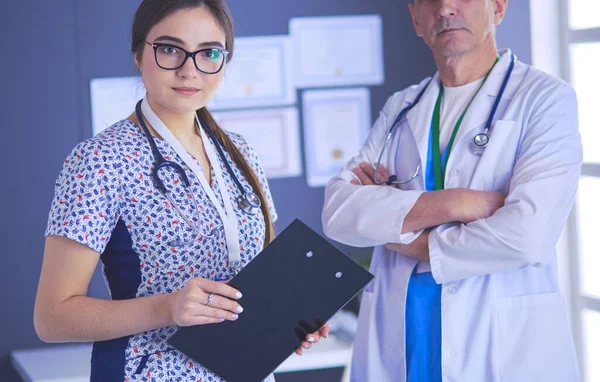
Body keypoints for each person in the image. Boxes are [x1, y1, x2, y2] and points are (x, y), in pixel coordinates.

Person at [34, 1, 327, 380]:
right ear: (139, 55)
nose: (190, 70)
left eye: (208, 53)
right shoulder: (99, 161)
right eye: (170, 49)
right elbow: (52, 317)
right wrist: (167, 308)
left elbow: (262, 278)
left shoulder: (241, 155)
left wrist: (290, 316)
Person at [322, 0, 582, 381]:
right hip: (404, 349)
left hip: (499, 353)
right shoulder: (401, 107)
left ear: (498, 7)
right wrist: (460, 203)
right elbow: (338, 213)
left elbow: (527, 236)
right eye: (429, 0)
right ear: (415, 18)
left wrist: (401, 233)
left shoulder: (544, 100)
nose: (445, 8)